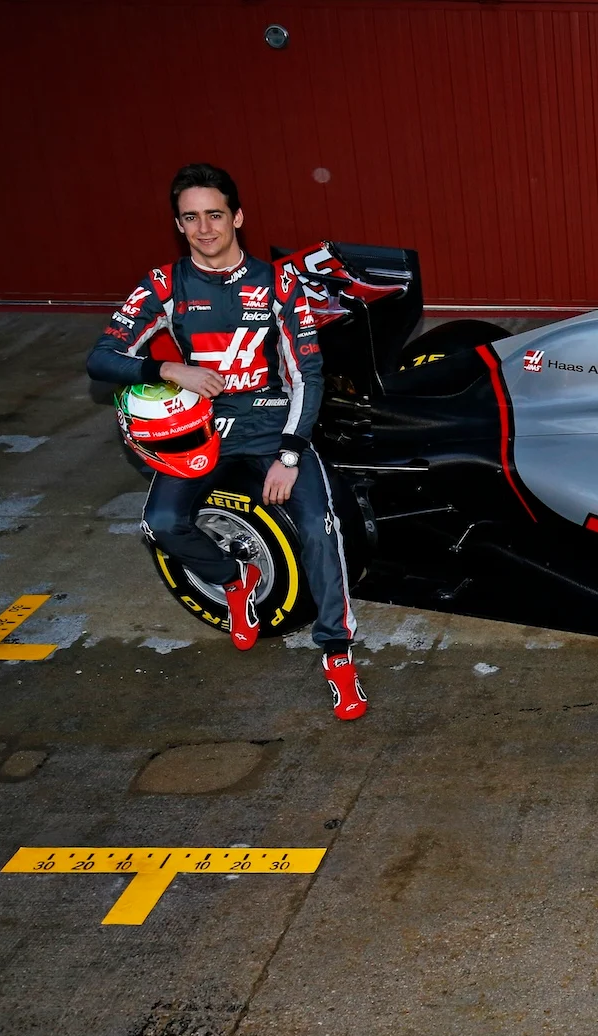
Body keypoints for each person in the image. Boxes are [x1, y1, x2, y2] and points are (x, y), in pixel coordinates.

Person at [88, 163, 367, 720]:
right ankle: (232, 579)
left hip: (269, 427)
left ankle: (337, 655)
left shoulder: (280, 284)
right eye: (191, 218)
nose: (205, 228)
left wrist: (289, 454)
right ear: (179, 225)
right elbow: (100, 360)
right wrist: (168, 370)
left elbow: (305, 376)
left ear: (236, 217)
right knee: (160, 525)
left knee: (319, 526)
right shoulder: (165, 285)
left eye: (215, 214)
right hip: (202, 429)